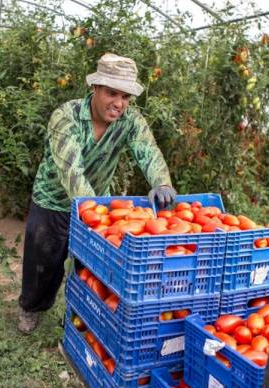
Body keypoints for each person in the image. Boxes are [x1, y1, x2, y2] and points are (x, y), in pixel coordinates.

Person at [17, 53, 177, 333]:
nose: (119, 103)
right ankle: (31, 307)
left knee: (90, 270)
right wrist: (97, 216)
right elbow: (72, 171)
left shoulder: (130, 121)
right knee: (44, 263)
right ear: (95, 89)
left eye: (126, 97)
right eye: (112, 93)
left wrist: (162, 183)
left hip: (96, 205)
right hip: (54, 201)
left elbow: (147, 151)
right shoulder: (66, 117)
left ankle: (83, 316)